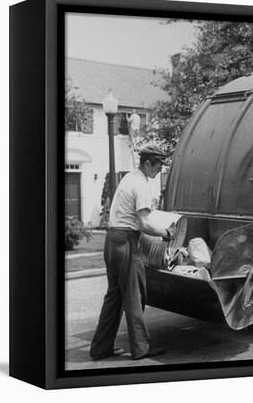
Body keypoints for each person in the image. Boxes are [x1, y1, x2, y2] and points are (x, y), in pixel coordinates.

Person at [90, 144, 174, 361]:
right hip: (126, 241)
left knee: (115, 296)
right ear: (147, 163)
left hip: (112, 241)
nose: (159, 171)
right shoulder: (141, 184)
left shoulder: (129, 178)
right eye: (158, 166)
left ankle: (100, 348)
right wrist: (166, 232)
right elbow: (144, 223)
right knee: (134, 295)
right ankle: (140, 348)